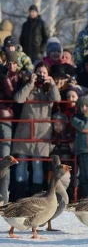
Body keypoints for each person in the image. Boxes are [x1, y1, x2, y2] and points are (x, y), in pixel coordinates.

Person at [11, 62, 61, 200]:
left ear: (48, 75)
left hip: (42, 134)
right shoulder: (29, 87)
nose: (41, 75)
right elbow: (18, 99)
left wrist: (52, 84)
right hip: (25, 131)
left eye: (44, 73)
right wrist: (30, 83)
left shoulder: (49, 90)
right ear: (34, 73)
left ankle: (35, 197)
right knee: (21, 164)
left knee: (37, 165)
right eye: (39, 72)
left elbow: (57, 99)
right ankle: (19, 197)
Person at [0, 51, 22, 204]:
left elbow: (12, 94)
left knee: (5, 159)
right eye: (9, 63)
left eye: (13, 63)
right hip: (5, 115)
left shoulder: (14, 76)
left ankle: (4, 197)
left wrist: (4, 77)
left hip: (6, 116)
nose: (11, 65)